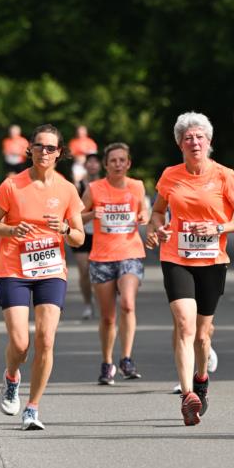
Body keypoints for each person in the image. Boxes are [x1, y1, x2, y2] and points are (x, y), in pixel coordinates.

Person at [146, 111, 234, 426]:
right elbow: (157, 211)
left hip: (212, 260)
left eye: (200, 137)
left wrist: (219, 229)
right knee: (184, 325)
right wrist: (158, 229)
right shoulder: (170, 175)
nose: (194, 142)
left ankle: (202, 378)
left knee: (203, 336)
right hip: (176, 257)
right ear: (180, 144)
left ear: (209, 142)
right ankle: (187, 395)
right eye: (188, 138)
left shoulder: (224, 175)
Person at [0, 124, 84, 431]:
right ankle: (12, 377)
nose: (44, 152)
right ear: (29, 149)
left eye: (51, 147)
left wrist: (65, 229)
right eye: (39, 146)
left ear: (60, 153)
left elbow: (79, 238)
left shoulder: (67, 189)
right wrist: (12, 230)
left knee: (46, 339)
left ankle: (32, 407)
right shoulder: (12, 185)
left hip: (51, 270)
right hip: (14, 268)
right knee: (20, 342)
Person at [82, 142, 148, 384]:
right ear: (106, 165)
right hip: (102, 256)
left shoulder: (137, 187)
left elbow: (146, 213)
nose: (118, 164)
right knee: (108, 316)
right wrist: (91, 214)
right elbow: (75, 216)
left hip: (130, 252)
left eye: (122, 160)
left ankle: (127, 359)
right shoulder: (94, 189)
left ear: (128, 163)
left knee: (128, 305)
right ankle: (107, 362)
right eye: (113, 161)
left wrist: (143, 217)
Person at [71, 151, 102, 319]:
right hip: (82, 232)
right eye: (89, 162)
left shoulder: (107, 185)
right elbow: (72, 210)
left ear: (101, 165)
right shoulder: (78, 186)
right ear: (85, 166)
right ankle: (88, 305)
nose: (92, 165)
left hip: (102, 234)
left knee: (99, 271)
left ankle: (102, 301)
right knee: (84, 271)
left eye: (96, 162)